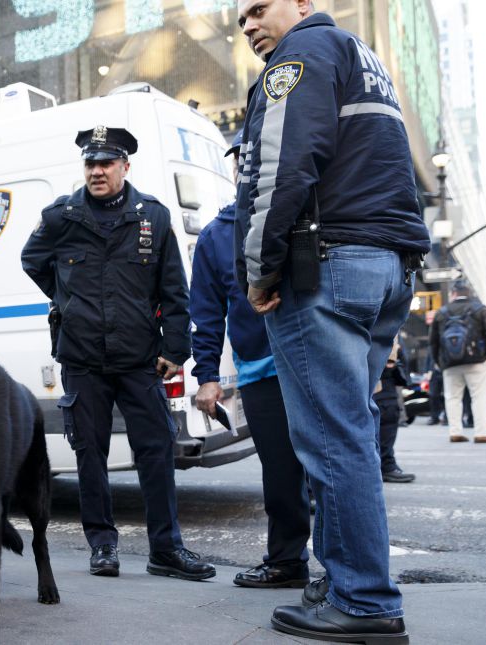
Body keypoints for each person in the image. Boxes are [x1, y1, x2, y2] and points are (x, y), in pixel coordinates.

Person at [235, 0, 429, 641]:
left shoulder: (301, 56)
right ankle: (340, 582)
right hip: (386, 265)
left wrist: (260, 269)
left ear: (303, 4)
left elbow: (283, 165)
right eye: (241, 19)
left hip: (327, 265)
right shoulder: (361, 58)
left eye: (259, 8)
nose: (250, 24)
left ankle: (365, 601)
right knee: (349, 431)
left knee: (333, 438)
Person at [21, 126, 215, 583]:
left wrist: (176, 348)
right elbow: (33, 261)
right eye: (91, 163)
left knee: (157, 450)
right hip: (83, 358)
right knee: (91, 453)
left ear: (125, 167)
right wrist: (66, 298)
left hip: (139, 357)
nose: (97, 171)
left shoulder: (154, 217)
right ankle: (102, 546)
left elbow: (175, 289)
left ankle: (165, 549)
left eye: (106, 163)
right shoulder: (60, 217)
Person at [190, 131, 310, 588]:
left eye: (255, 156)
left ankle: (346, 571)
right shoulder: (216, 238)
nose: (246, 166)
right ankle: (287, 561)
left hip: (311, 361)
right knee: (280, 473)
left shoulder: (304, 215)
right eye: (241, 159)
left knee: (330, 467)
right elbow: (205, 314)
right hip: (261, 371)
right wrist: (206, 377)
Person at [428, 282, 486, 443]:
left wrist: (439, 362)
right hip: (477, 361)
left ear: (453, 293)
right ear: (469, 293)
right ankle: (481, 433)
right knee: (479, 397)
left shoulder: (442, 312)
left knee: (452, 397)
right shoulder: (481, 310)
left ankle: (455, 432)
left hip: (450, 363)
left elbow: (433, 341)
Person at [376, 338, 416, 483]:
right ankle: (385, 464)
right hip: (378, 357)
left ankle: (384, 464)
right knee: (386, 411)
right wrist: (391, 357)